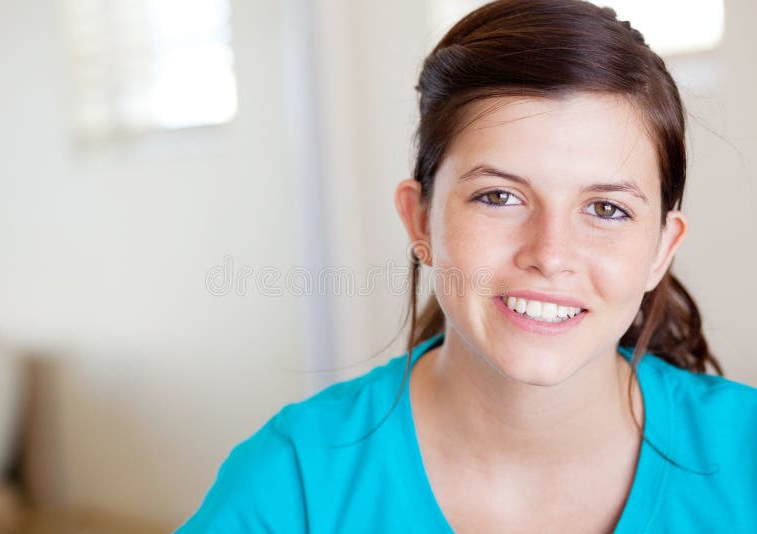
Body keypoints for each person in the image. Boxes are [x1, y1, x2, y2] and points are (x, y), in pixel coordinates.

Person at [178, 1, 757, 532]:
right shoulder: (292, 481)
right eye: (499, 197)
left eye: (606, 209)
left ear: (661, 248)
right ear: (420, 219)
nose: (550, 255)